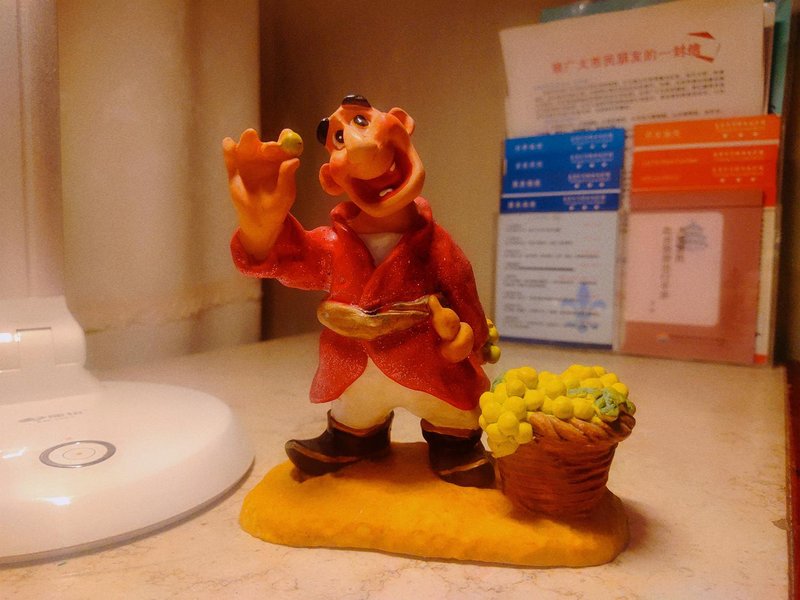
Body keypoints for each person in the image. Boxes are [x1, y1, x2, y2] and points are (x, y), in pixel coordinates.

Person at [224, 95, 494, 488]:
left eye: (362, 122)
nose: (357, 143)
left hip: (431, 365)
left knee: (451, 414)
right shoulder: (332, 246)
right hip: (353, 364)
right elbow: (290, 259)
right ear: (331, 179)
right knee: (354, 412)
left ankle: (454, 444)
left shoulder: (437, 246)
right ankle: (353, 439)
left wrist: (473, 341)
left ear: (401, 126)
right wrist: (261, 229)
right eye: (338, 137)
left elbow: (463, 290)